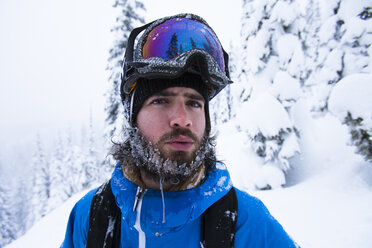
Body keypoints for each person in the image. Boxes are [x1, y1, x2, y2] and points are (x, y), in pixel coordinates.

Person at [61, 13, 299, 248]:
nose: (182, 120)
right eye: (161, 101)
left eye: (194, 103)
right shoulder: (92, 217)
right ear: (133, 118)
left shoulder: (246, 223)